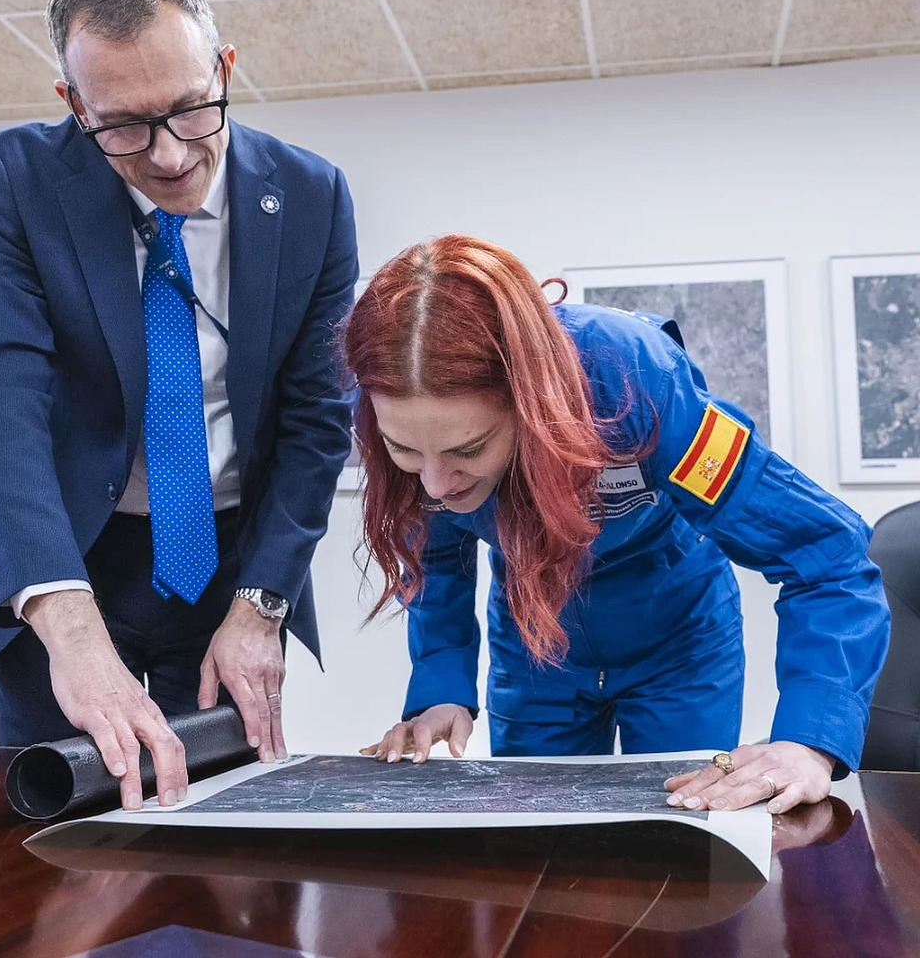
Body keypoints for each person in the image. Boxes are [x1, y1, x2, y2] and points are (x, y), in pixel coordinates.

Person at [0, 0, 358, 810]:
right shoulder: (15, 181)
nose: (169, 157)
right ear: (72, 102)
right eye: (124, 125)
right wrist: (63, 616)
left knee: (220, 838)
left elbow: (320, 417)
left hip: (229, 566)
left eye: (192, 109)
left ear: (224, 66)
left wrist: (264, 603)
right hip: (70, 556)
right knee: (54, 838)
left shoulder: (313, 196)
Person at [340, 235, 889, 813]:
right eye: (405, 452)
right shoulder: (395, 398)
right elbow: (435, 554)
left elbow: (827, 556)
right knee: (538, 845)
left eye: (468, 450)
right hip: (537, 646)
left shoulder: (635, 381)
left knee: (682, 846)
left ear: (526, 400)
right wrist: (441, 688)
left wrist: (809, 739)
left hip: (679, 639)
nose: (433, 484)